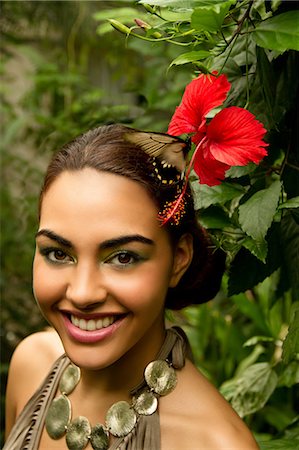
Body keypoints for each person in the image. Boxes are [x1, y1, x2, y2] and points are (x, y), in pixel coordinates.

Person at [4, 124, 259, 450]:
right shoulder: (31, 366)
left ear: (178, 259)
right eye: (58, 253)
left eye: (123, 257)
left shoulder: (215, 443)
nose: (82, 294)